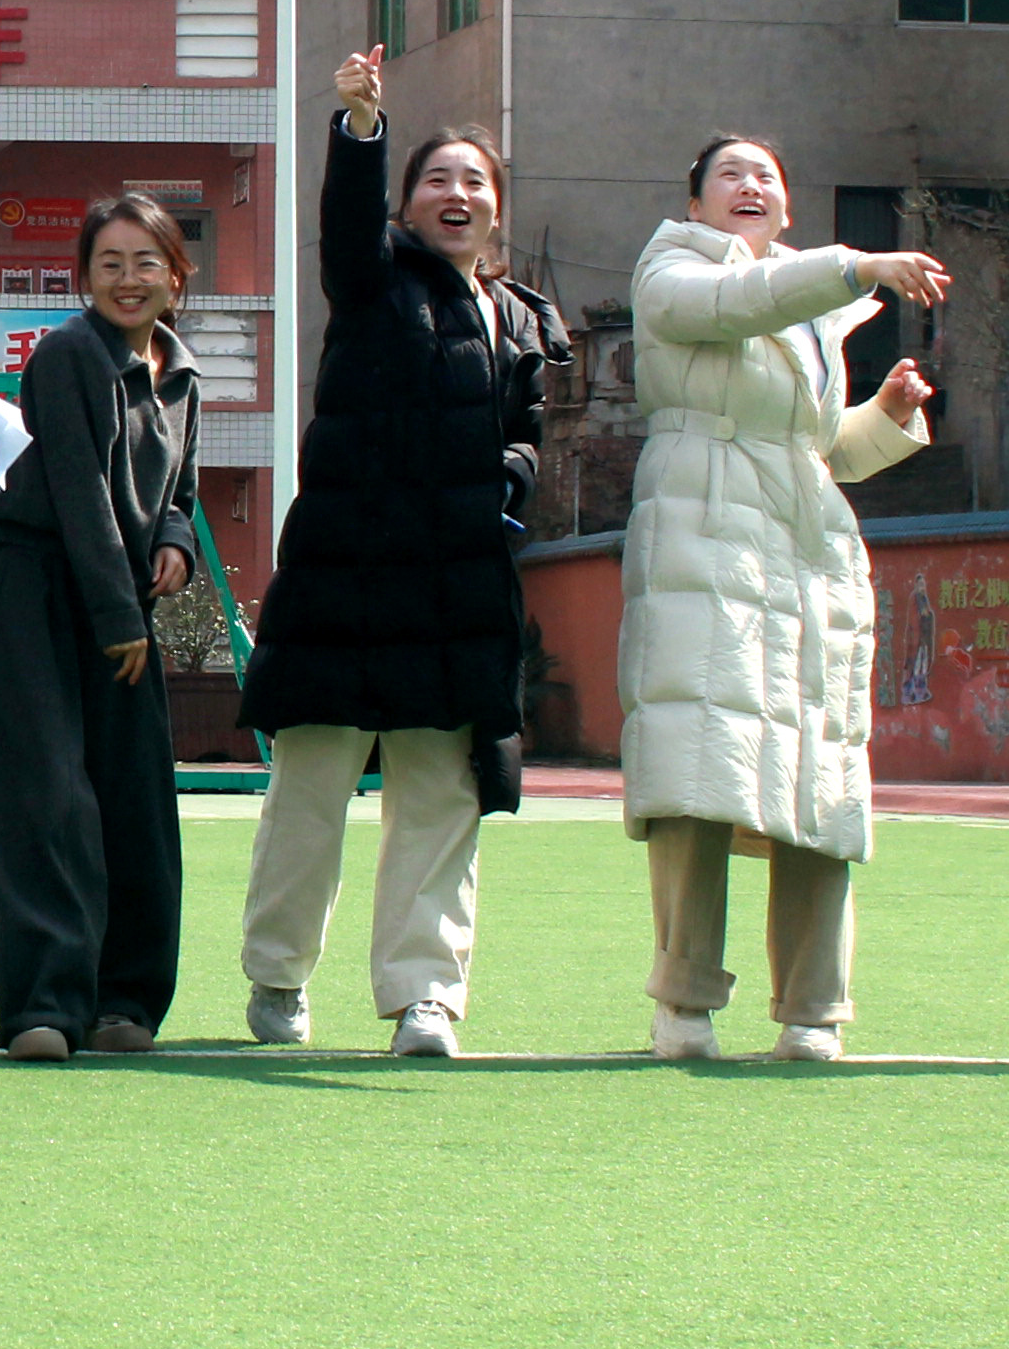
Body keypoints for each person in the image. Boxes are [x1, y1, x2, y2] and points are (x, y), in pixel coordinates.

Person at [235, 53, 569, 1060]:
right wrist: (360, 129)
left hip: (453, 590)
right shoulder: (373, 275)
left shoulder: (521, 317)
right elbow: (345, 222)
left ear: (497, 210)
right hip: (341, 573)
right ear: (407, 201)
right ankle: (277, 973)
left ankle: (424, 995)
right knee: (311, 787)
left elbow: (527, 434)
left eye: (474, 181)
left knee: (439, 795)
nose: (455, 194)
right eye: (436, 179)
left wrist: (508, 484)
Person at [618, 134, 945, 1063]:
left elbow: (814, 448)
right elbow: (733, 303)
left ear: (788, 205)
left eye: (767, 175)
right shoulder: (672, 267)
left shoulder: (811, 307)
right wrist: (856, 265)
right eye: (730, 174)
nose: (750, 185)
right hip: (699, 525)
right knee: (699, 767)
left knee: (818, 774)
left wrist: (885, 417)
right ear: (695, 203)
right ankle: (684, 1003)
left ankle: (812, 1008)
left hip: (803, 546)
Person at [0, 193, 204, 1062]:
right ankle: (44, 1006)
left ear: (176, 276)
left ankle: (124, 1002)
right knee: (44, 803)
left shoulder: (182, 374)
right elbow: (78, 488)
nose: (128, 280)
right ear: (84, 278)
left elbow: (179, 490)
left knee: (136, 803)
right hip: (43, 594)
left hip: (123, 604)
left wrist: (175, 542)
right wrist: (117, 615)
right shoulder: (69, 354)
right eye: (110, 264)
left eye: (146, 263)